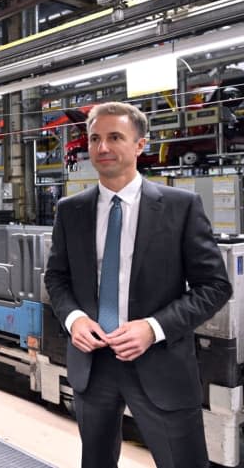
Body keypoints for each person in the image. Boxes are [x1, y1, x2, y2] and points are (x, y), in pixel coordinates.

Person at [44, 101, 232, 468]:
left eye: (115, 137)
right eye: (95, 138)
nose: (102, 148)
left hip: (160, 362)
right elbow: (57, 277)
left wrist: (153, 327)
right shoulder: (71, 210)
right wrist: (74, 319)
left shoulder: (180, 207)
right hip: (92, 363)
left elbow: (214, 286)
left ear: (140, 145)